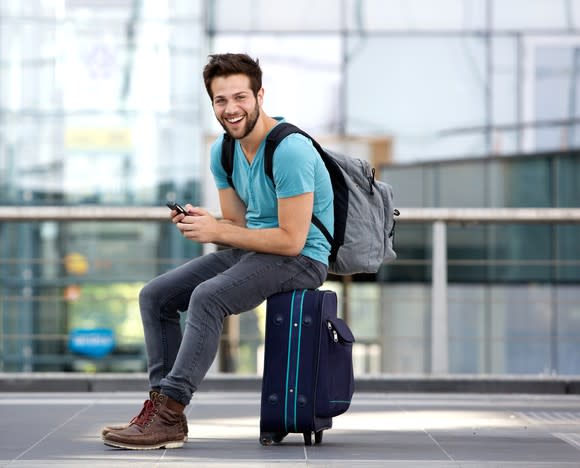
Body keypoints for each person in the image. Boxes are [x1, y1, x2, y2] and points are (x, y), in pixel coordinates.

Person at [101, 52, 334, 450]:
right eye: (220, 100)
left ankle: (171, 412)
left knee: (207, 297)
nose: (231, 109)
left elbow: (292, 240)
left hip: (303, 259)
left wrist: (219, 230)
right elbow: (239, 230)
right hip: (257, 252)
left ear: (260, 95)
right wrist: (207, 223)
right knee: (155, 296)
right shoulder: (222, 151)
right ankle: (159, 410)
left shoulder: (290, 150)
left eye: (240, 97)